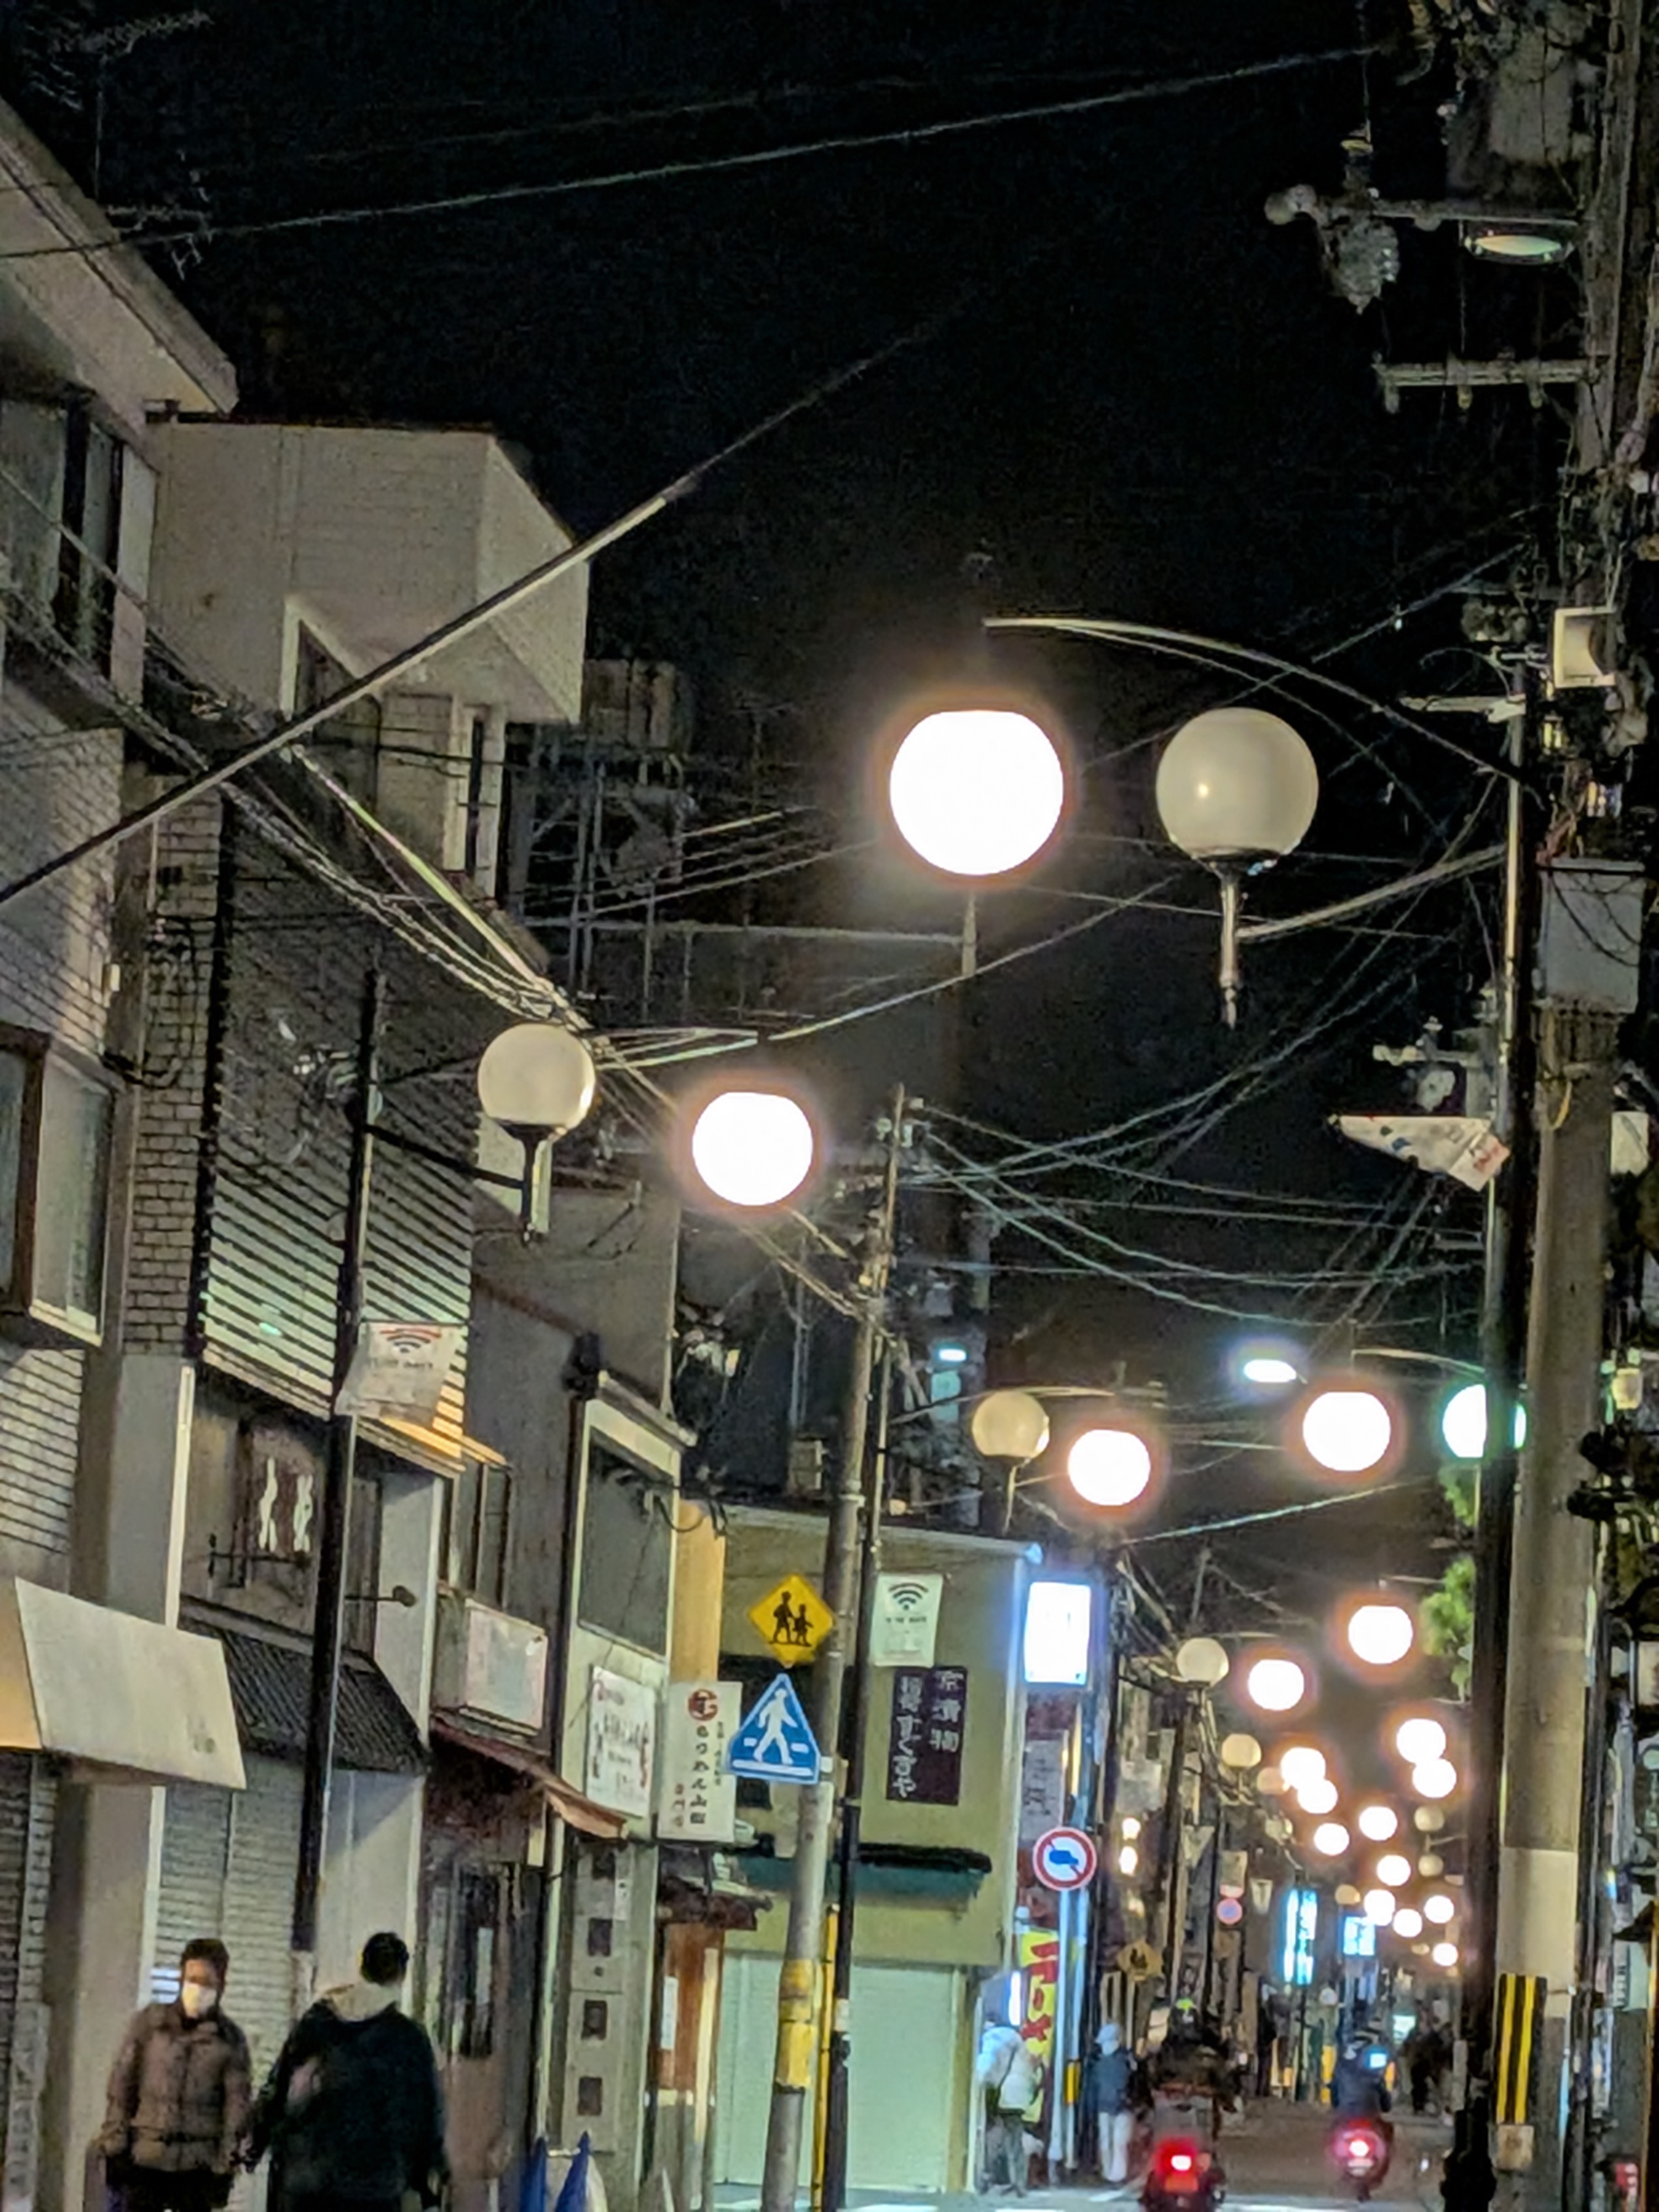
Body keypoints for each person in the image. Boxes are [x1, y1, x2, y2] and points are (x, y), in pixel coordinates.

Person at [247, 1932, 447, 2212]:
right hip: (373, 2187)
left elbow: (279, 2089)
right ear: (401, 1977)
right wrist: (429, 2187)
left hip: (308, 2182)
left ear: (362, 1967)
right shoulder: (408, 2040)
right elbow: (425, 2118)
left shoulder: (317, 2023)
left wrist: (255, 2144)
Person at [101, 1938, 251, 2212]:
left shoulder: (229, 2041)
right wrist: (116, 2147)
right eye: (192, 1979)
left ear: (221, 1986)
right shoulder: (150, 2025)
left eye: (207, 1982)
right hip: (145, 2161)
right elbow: (122, 2088)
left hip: (196, 2170)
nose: (198, 1989)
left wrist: (224, 2168)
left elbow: (236, 2112)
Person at [975, 2021, 1044, 2195]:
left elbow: (988, 2065)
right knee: (1014, 2138)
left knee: (992, 2136)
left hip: (1002, 2093)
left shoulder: (995, 2037)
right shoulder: (1019, 2042)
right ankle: (1019, 2182)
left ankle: (986, 2176)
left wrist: (980, 2082)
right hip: (1019, 2096)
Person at [1081, 2021, 1142, 2185]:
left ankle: (1113, 2175)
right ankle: (1113, 2176)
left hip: (1113, 2106)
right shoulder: (1127, 2059)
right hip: (1119, 2105)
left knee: (1112, 2142)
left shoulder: (1098, 2061)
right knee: (1115, 2143)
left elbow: (1093, 2086)